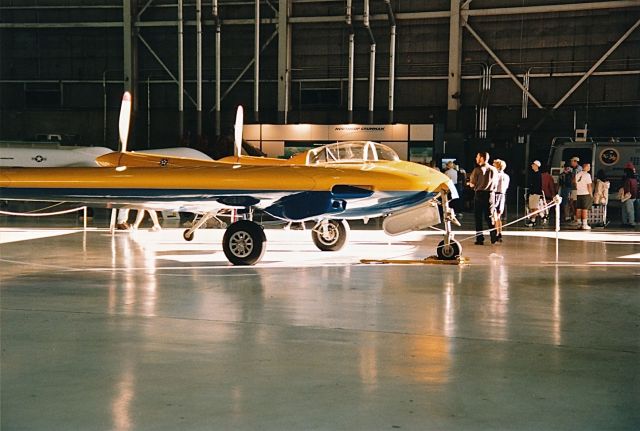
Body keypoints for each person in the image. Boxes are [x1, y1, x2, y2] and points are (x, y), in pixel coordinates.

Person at [469, 151, 498, 245]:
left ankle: (480, 239)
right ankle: (494, 237)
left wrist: (470, 184)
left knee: (478, 217)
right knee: (489, 216)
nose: (476, 158)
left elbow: (472, 183)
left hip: (479, 194)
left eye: (477, 157)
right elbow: (496, 183)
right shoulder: (494, 169)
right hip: (491, 195)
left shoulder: (477, 170)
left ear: (481, 158)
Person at [492, 159, 509, 243]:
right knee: (498, 216)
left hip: (496, 195)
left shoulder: (496, 175)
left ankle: (495, 233)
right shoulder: (506, 176)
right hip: (503, 195)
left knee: (494, 216)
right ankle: (499, 233)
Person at [574, 162, 593, 230]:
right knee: (585, 209)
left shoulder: (577, 174)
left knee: (578, 209)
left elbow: (575, 184)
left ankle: (578, 224)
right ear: (585, 167)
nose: (589, 168)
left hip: (578, 193)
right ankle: (584, 224)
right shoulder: (587, 175)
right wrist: (591, 194)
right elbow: (589, 185)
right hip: (586, 193)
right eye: (589, 166)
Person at [525, 160, 542, 227]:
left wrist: (534, 191)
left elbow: (537, 185)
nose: (532, 166)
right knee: (531, 207)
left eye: (533, 164)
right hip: (532, 193)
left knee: (534, 207)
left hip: (535, 193)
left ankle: (534, 220)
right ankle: (534, 218)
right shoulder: (533, 174)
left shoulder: (538, 174)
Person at [568, 156, 582, 221]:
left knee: (574, 202)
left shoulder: (578, 169)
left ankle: (576, 216)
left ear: (575, 162)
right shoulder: (573, 169)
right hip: (573, 188)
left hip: (576, 188)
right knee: (572, 202)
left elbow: (576, 179)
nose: (571, 162)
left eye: (572, 161)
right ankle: (574, 215)